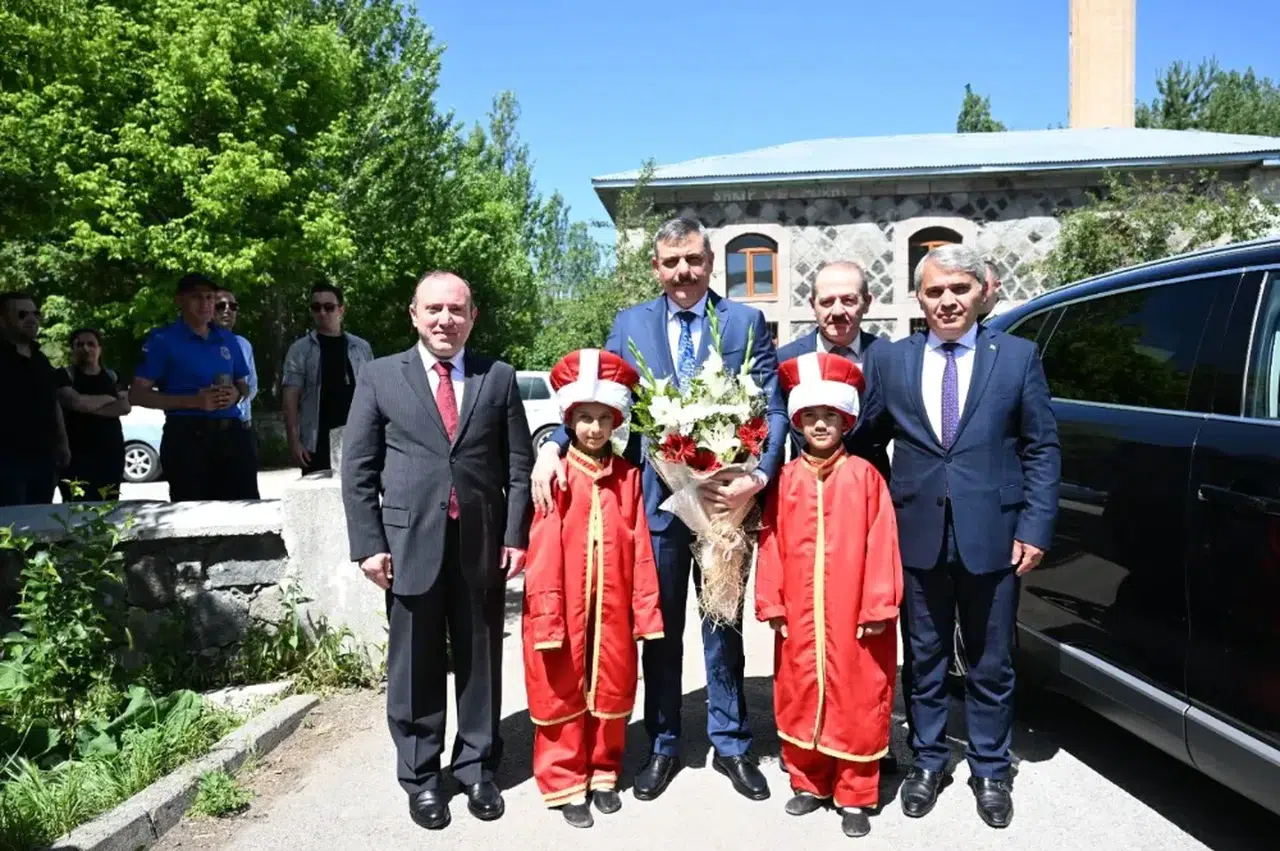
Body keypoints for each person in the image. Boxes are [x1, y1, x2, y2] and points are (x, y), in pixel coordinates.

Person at [532, 216, 790, 803]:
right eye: (672, 261)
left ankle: (730, 742)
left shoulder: (744, 322)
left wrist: (760, 474)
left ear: (710, 263)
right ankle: (665, 742)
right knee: (659, 626)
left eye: (694, 260)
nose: (683, 271)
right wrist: (552, 442)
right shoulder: (631, 324)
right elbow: (597, 402)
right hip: (657, 503)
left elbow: (773, 409)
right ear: (656, 266)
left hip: (727, 505)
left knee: (722, 625)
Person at [849, 244, 1060, 829]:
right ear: (919, 298)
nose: (947, 301)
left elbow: (1041, 446)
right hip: (914, 534)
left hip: (995, 535)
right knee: (923, 657)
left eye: (959, 289)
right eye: (935, 291)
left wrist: (1035, 526)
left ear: (983, 291)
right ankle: (930, 760)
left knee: (991, 660)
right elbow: (864, 438)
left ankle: (991, 767)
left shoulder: (1017, 357)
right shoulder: (892, 361)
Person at [341, 271, 533, 832]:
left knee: (480, 658)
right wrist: (369, 544)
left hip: (480, 542)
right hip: (406, 545)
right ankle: (422, 776)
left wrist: (514, 534)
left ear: (473, 316)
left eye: (456, 309)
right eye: (434, 309)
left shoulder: (497, 377)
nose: (445, 319)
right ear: (414, 315)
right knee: (414, 665)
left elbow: (517, 465)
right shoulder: (379, 376)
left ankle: (476, 765)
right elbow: (358, 469)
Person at [757, 352, 902, 839]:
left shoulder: (865, 477)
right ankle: (808, 781)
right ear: (797, 422)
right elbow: (771, 541)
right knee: (800, 690)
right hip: (799, 613)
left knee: (857, 697)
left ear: (846, 421)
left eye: (830, 417)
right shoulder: (785, 482)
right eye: (811, 417)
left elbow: (882, 543)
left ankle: (855, 792)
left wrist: (880, 604)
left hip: (853, 614)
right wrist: (772, 602)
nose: (820, 425)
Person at [522, 349, 664, 829]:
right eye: (584, 419)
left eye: (604, 419)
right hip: (563, 607)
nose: (594, 430)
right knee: (562, 691)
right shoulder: (557, 475)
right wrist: (546, 613)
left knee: (612, 689)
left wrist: (645, 611)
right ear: (569, 419)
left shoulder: (628, 478)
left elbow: (641, 545)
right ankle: (564, 781)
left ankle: (604, 772)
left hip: (614, 609)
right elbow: (541, 552)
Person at [129, 273, 259, 501]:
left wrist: (235, 394)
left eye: (210, 298)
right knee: (193, 512)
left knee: (245, 508)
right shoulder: (163, 340)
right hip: (187, 435)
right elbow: (137, 395)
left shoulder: (227, 339)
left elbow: (244, 385)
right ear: (180, 301)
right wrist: (194, 401)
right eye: (197, 297)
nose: (205, 304)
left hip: (232, 434)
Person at [0, 292, 121, 506]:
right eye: (21, 314)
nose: (31, 319)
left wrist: (62, 443)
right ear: (3, 319)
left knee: (40, 519)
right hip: (9, 456)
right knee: (11, 523)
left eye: (35, 314)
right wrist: (106, 401)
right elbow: (73, 402)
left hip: (44, 455)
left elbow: (52, 402)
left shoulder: (40, 358)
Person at [778, 260, 889, 474]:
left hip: (871, 492)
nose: (837, 311)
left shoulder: (889, 357)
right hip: (805, 493)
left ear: (866, 302)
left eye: (848, 300)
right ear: (813, 305)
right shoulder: (786, 360)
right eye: (827, 302)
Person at [282, 282, 374, 473]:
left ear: (341, 310)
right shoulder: (300, 350)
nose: (322, 312)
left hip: (358, 438)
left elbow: (374, 393)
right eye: (316, 308)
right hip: (316, 441)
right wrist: (294, 441)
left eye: (329, 307)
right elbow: (290, 396)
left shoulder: (361, 348)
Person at [58, 328, 129, 501]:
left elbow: (124, 407)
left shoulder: (113, 376)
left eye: (91, 344)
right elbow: (75, 402)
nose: (86, 348)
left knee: (109, 508)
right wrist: (107, 399)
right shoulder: (64, 375)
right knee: (76, 508)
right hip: (75, 455)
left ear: (99, 348)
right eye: (79, 344)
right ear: (72, 349)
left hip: (111, 453)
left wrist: (88, 406)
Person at [213, 287, 258, 425]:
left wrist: (238, 397)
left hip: (242, 422)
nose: (227, 310)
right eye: (221, 306)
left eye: (233, 306)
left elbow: (252, 385)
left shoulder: (243, 344)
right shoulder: (198, 344)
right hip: (210, 423)